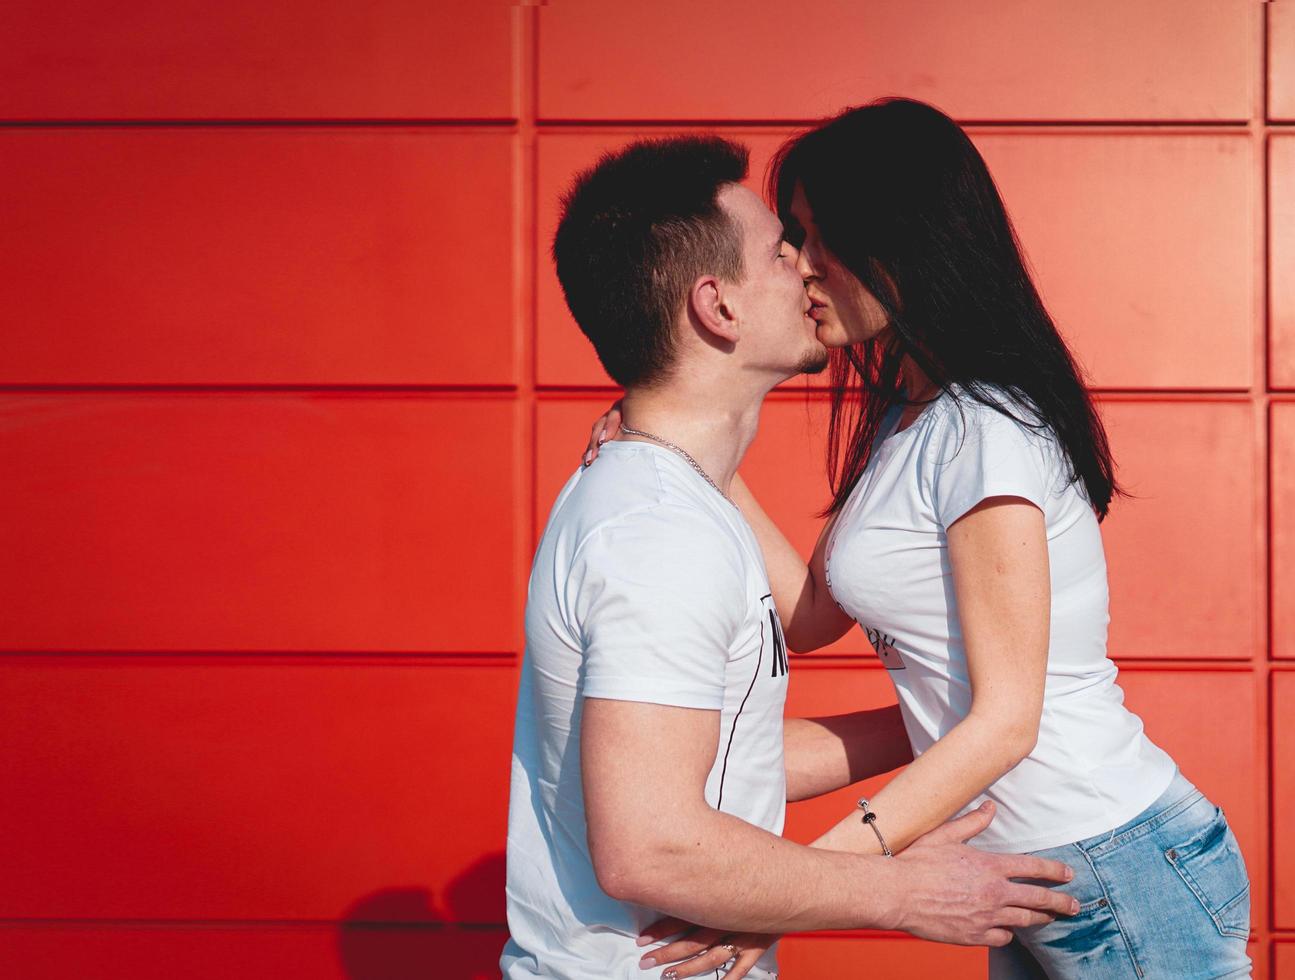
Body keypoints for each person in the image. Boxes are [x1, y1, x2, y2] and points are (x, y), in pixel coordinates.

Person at [607, 100, 1252, 979]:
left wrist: (809, 883)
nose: (795, 265)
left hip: (1118, 863)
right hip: (1037, 871)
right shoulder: (910, 423)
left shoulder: (989, 429)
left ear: (890, 243)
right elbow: (809, 620)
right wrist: (687, 451)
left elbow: (1004, 723)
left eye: (806, 235)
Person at [502, 134, 1081, 980]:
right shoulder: (658, 539)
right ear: (719, 307)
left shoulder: (676, 504)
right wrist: (899, 892)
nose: (809, 268)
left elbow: (729, 757)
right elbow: (653, 848)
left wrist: (949, 723)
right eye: (783, 250)